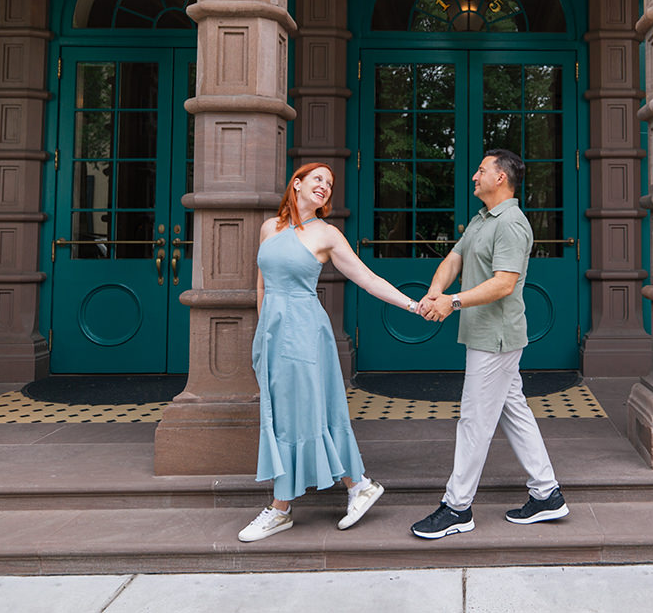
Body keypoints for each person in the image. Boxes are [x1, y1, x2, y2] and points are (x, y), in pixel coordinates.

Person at [238, 162, 421, 542]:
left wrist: (412, 305)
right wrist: (262, 335)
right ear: (298, 183)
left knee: (305, 411)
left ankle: (283, 507)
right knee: (282, 413)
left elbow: (367, 279)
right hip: (273, 332)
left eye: (330, 184)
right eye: (317, 179)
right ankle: (355, 487)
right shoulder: (269, 228)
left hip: (305, 332)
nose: (324, 186)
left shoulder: (327, 234)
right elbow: (261, 287)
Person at [409, 149, 567, 539]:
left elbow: (504, 283)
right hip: (484, 335)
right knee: (514, 410)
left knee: (474, 421)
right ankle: (546, 494)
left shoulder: (511, 223)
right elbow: (454, 258)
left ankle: (457, 507)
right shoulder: (483, 220)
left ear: (501, 178)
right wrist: (435, 292)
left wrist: (453, 301)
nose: (474, 175)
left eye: (481, 170)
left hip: (496, 338)